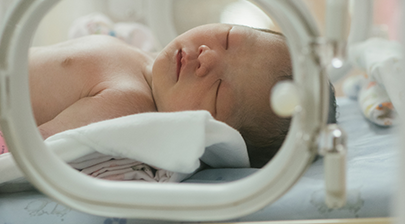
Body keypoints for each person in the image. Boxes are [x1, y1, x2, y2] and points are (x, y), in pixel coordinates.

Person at [24, 23, 336, 168]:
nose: (207, 57)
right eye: (228, 38)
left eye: (218, 91)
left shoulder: (128, 101)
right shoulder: (145, 59)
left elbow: (36, 144)